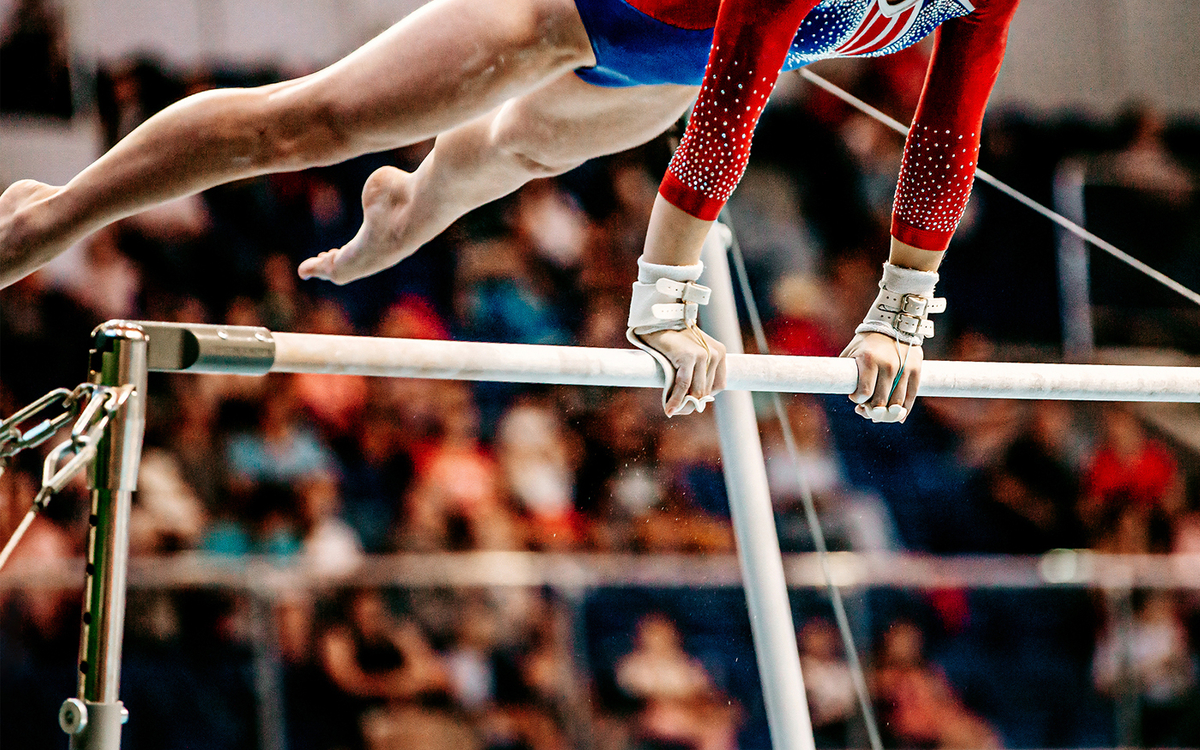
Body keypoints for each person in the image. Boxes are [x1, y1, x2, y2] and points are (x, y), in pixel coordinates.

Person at [0, 0, 1021, 419]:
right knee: (306, 127)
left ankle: (410, 203)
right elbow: (726, 120)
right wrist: (663, 298)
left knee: (515, 149)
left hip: (670, 66)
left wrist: (899, 313)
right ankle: (55, 214)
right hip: (570, 13)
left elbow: (947, 132)